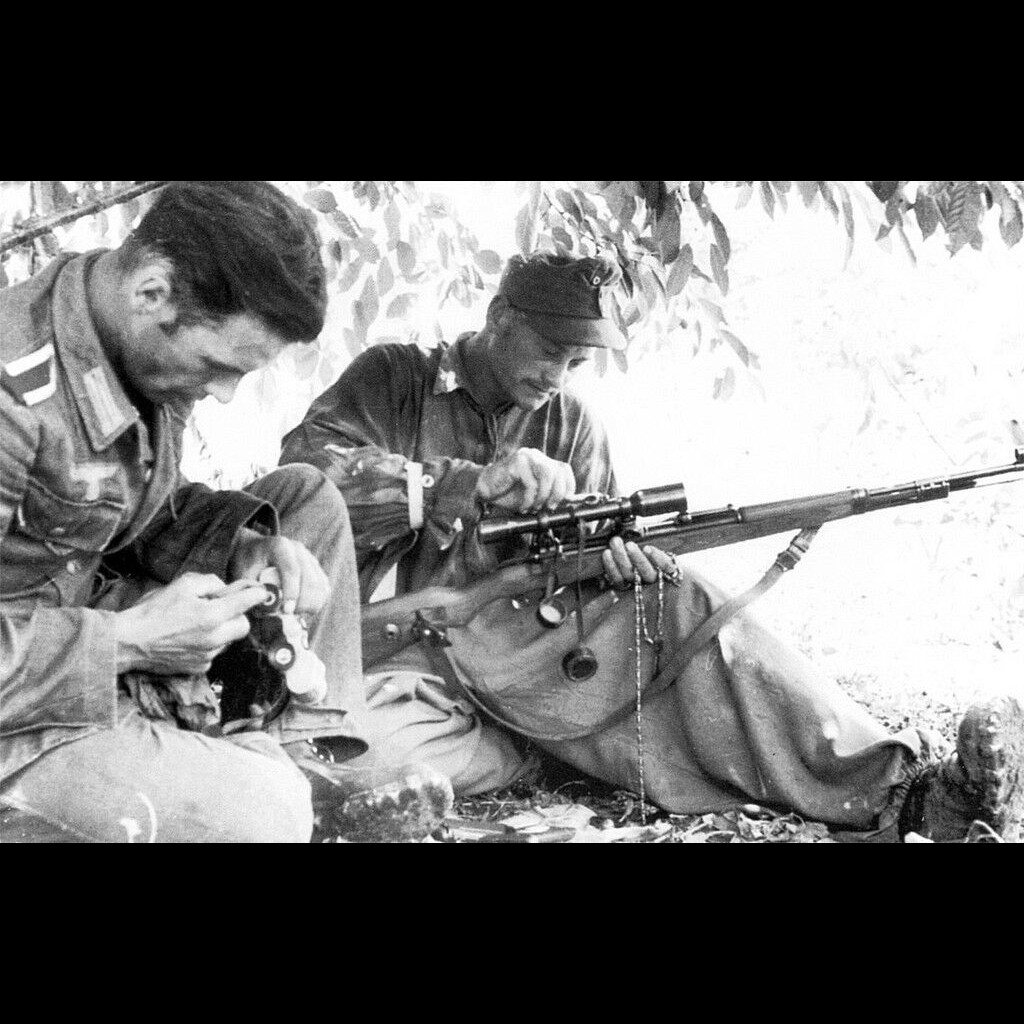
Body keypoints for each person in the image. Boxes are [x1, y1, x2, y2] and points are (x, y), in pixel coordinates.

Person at [279, 251, 1023, 842]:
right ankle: (534, 750)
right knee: (336, 767)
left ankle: (911, 795)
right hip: (396, 658)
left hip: (528, 654)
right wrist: (465, 484)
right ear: (499, 317)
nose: (559, 377)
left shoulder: (572, 422)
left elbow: (582, 567)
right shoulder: (396, 379)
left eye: (578, 363)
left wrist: (617, 563)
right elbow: (304, 481)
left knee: (680, 595)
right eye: (549, 351)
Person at [0, 180, 452, 844]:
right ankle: (261, 790)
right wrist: (129, 642)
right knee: (264, 815)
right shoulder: (13, 394)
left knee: (304, 502)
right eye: (217, 366)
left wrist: (241, 545)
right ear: (152, 291)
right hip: (22, 702)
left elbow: (121, 510)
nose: (224, 394)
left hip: (70, 618)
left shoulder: (123, 334)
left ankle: (302, 763)